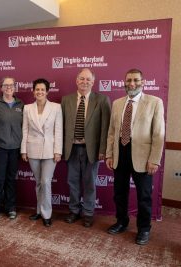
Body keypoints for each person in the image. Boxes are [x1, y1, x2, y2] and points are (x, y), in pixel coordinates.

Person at [106, 68, 165, 245]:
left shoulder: (155, 102)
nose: (132, 83)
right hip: (120, 153)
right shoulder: (117, 103)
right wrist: (109, 153)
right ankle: (122, 222)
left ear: (143, 82)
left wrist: (154, 159)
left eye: (136, 80)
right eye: (129, 80)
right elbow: (111, 132)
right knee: (119, 193)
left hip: (143, 156)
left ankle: (144, 229)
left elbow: (158, 133)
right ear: (124, 82)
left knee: (144, 195)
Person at [61, 68, 111, 227]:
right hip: (72, 148)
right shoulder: (66, 100)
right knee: (72, 182)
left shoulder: (102, 100)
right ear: (76, 81)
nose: (85, 82)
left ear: (93, 82)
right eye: (82, 79)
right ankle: (74, 211)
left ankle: (88, 213)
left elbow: (106, 127)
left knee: (90, 183)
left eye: (88, 79)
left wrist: (103, 149)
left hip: (92, 150)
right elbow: (61, 126)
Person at [21, 78, 63, 227]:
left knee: (45, 182)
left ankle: (46, 213)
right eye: (37, 89)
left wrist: (58, 151)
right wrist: (23, 150)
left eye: (42, 90)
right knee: (38, 182)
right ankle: (38, 210)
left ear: (47, 91)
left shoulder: (56, 107)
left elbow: (58, 130)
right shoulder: (27, 108)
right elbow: (25, 130)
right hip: (32, 149)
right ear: (33, 91)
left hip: (50, 151)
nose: (39, 92)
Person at [0, 77, 24, 221]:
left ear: (15, 87)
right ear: (1, 88)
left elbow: (25, 126)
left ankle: (10, 207)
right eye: (5, 85)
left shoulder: (21, 104)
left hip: (15, 149)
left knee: (10, 179)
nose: (8, 87)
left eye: (11, 85)